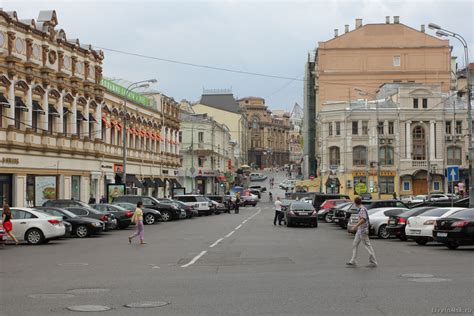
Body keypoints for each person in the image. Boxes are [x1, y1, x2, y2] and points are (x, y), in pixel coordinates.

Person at [347, 197, 377, 268]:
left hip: (363, 230)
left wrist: (355, 226)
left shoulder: (362, 209)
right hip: (360, 230)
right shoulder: (361, 209)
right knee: (354, 244)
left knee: (368, 246)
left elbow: (363, 219)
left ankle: (373, 262)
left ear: (355, 203)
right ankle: (353, 260)